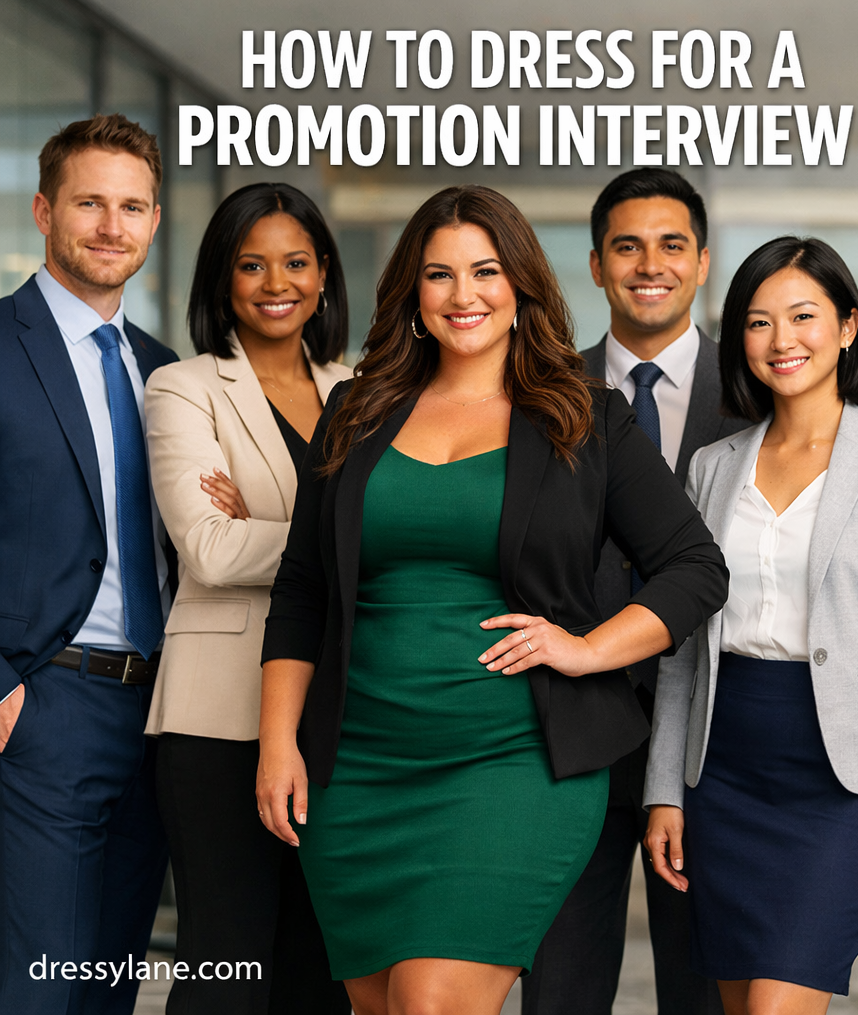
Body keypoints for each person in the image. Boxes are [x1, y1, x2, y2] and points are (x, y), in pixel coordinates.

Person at [256, 184, 730, 1015]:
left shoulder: (584, 416)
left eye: (485, 271)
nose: (463, 294)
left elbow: (694, 567)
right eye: (439, 275)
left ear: (521, 285)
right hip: (359, 765)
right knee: (382, 1005)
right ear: (413, 292)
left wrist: (585, 648)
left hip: (514, 763)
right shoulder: (355, 412)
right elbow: (301, 590)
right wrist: (276, 744)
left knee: (432, 1003)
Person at [643, 236, 858, 1015]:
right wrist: (663, 790)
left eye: (802, 316)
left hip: (847, 777)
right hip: (724, 766)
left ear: (849, 326)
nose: (781, 341)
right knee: (736, 1000)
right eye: (758, 322)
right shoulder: (712, 467)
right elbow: (684, 650)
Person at [524, 168, 747, 1015]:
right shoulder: (538, 395)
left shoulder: (765, 390)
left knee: (706, 988)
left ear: (701, 264)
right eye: (627, 246)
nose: (648, 264)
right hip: (570, 725)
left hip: (714, 737)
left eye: (671, 246)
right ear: (594, 265)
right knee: (562, 985)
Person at [143, 184, 353, 1013]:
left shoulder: (363, 388)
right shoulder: (184, 387)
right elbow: (210, 547)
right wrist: (340, 540)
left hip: (335, 711)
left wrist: (268, 521)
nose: (277, 282)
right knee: (226, 965)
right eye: (251, 263)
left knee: (322, 968)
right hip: (218, 721)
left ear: (325, 274)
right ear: (222, 279)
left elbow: (402, 537)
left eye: (296, 262)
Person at [0, 114, 175, 1015]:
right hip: (44, 706)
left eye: (133, 206)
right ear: (42, 210)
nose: (113, 226)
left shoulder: (165, 371)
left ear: (153, 221)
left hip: (155, 717)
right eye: (90, 204)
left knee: (109, 987)